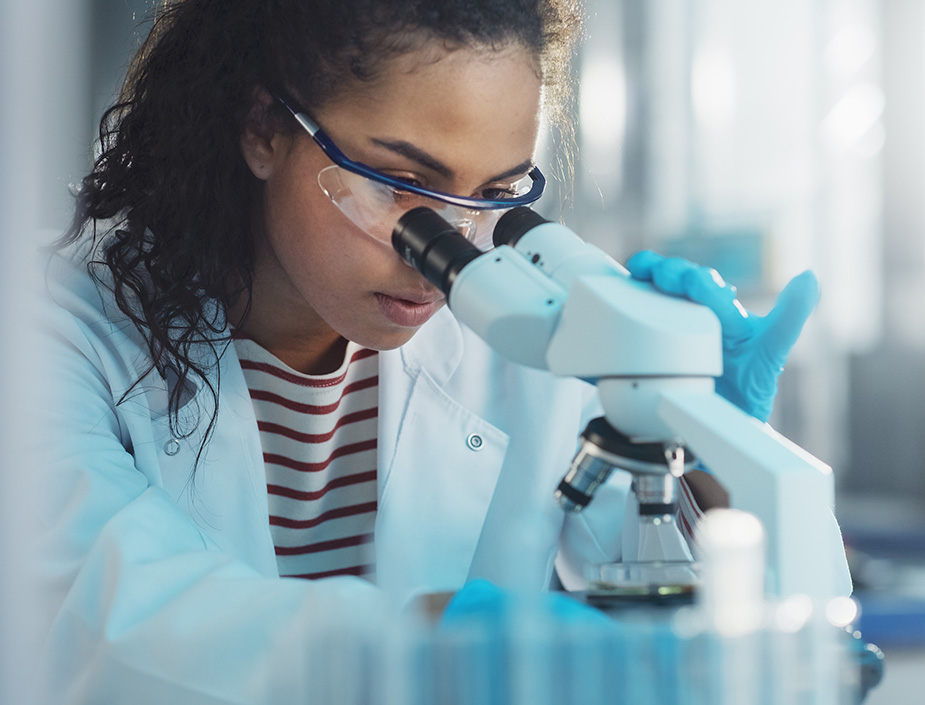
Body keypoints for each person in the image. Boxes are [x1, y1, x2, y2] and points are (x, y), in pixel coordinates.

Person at [32, 0, 850, 702]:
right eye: (400, 183)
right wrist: (447, 643)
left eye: (494, 196)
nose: (450, 243)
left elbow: (709, 624)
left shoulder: (520, 340)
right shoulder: (51, 329)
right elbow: (107, 622)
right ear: (264, 130)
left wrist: (706, 436)